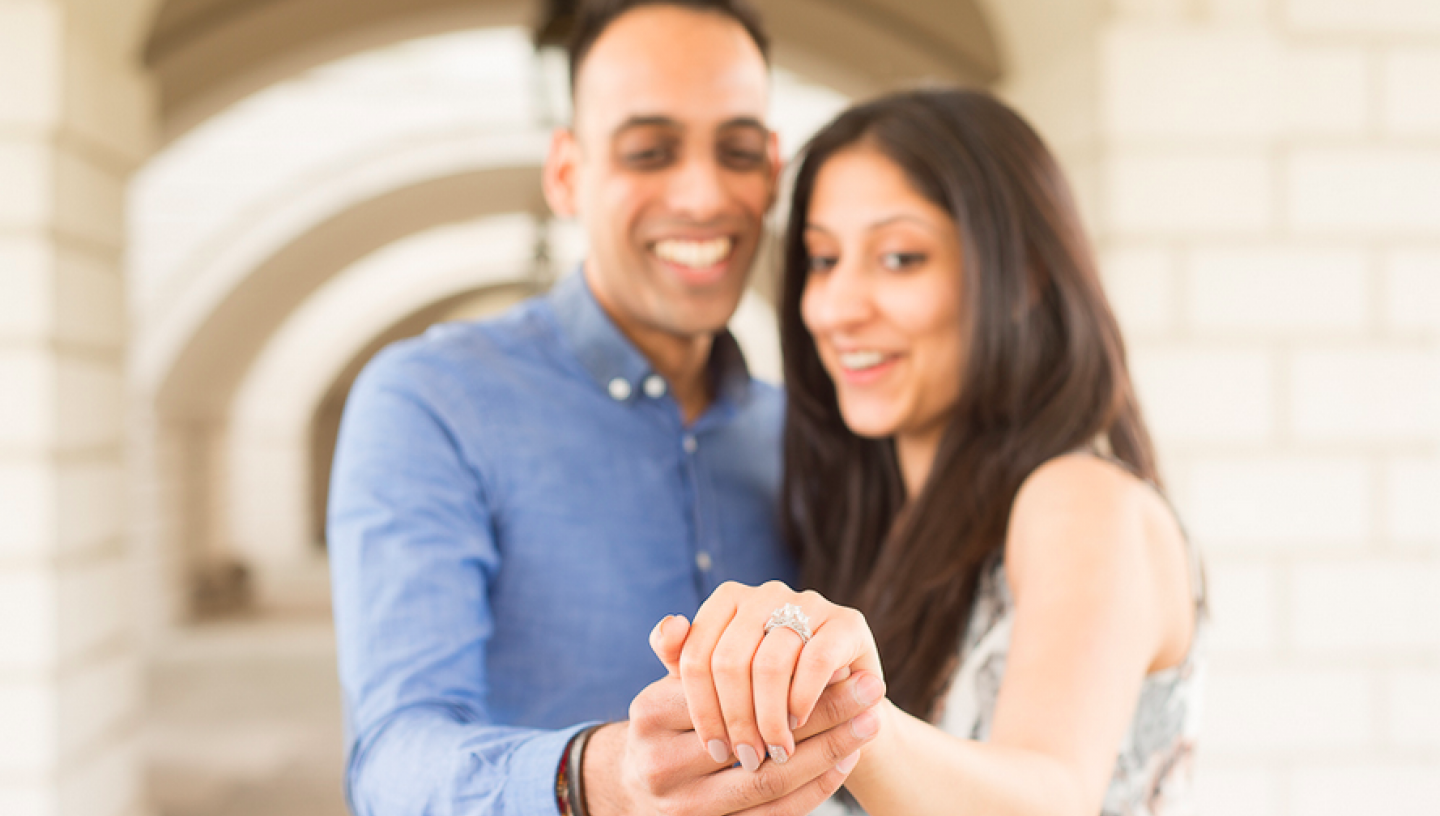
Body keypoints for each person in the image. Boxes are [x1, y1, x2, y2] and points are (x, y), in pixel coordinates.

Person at [327, 2, 882, 815]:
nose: (701, 194)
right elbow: (391, 761)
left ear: (770, 170)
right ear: (567, 175)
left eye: (735, 151)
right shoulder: (429, 399)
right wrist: (598, 777)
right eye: (649, 151)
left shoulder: (809, 426)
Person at [657, 88, 1207, 815]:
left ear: (1025, 276)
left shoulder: (1079, 498)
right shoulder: (884, 526)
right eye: (823, 260)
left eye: (900, 257)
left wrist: (846, 706)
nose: (837, 307)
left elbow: (1052, 795)